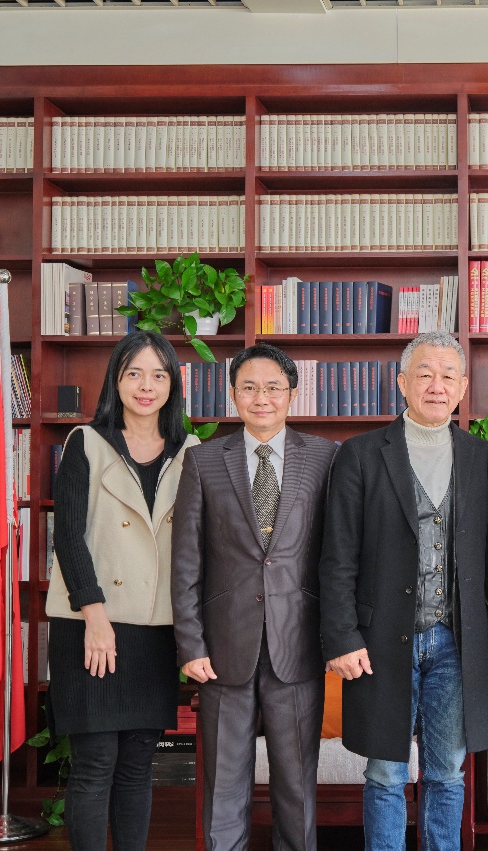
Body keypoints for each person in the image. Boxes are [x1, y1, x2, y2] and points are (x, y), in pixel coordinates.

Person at [318, 331, 488, 851]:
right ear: (402, 382)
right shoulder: (360, 455)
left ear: (463, 387)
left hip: (456, 642)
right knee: (384, 773)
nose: (436, 386)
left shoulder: (479, 457)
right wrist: (342, 637)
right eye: (424, 374)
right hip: (379, 642)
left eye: (448, 376)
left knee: (447, 771)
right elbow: (337, 556)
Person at [171, 343, 337, 851]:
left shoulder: (326, 457)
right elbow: (186, 561)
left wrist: (337, 637)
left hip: (299, 642)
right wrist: (190, 645)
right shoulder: (203, 460)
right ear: (233, 394)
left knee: (296, 783)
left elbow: (338, 556)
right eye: (249, 387)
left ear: (292, 393)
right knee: (223, 781)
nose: (261, 398)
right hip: (223, 647)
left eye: (272, 387)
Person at [46, 331, 199, 851]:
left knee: (137, 765)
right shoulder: (86, 443)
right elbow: (68, 536)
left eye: (158, 375)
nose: (146, 385)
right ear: (116, 380)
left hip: (155, 627)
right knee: (95, 763)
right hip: (91, 623)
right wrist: (95, 615)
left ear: (173, 385)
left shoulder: (190, 451)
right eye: (134, 373)